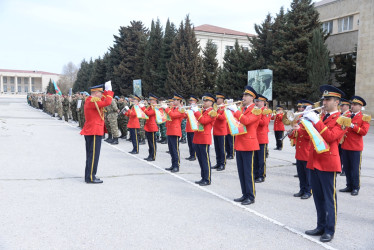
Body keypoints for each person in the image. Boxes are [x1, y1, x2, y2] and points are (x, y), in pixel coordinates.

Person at [303, 85, 348, 242]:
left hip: (328, 162)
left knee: (329, 198)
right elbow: (312, 136)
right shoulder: (322, 117)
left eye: (328, 99)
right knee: (318, 197)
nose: (324, 102)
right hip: (315, 161)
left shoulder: (343, 119)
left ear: (337, 102)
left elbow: (330, 137)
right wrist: (306, 120)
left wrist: (316, 120)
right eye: (324, 99)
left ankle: (330, 229)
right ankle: (320, 225)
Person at [228, 86, 261, 205]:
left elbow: (246, 121)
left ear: (252, 97)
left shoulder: (256, 110)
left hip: (248, 143)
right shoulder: (242, 109)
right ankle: (244, 194)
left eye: (246, 96)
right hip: (239, 142)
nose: (243, 98)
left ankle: (251, 196)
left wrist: (235, 111)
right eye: (243, 96)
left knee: (248, 172)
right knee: (241, 171)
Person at [80, 82, 114, 184]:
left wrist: (107, 91)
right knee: (94, 155)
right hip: (94, 131)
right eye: (100, 92)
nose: (101, 94)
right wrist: (109, 90)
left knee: (91, 155)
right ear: (95, 93)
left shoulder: (92, 100)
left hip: (92, 130)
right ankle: (90, 177)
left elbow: (103, 100)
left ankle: (90, 174)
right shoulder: (92, 101)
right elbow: (107, 101)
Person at [340, 96, 370, 196]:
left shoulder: (364, 117)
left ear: (360, 107)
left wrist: (352, 126)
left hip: (355, 147)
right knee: (347, 168)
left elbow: (364, 132)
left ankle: (356, 187)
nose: (352, 106)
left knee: (355, 169)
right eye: (352, 104)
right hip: (345, 146)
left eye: (355, 105)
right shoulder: (347, 116)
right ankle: (349, 186)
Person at [288, 100, 313, 199]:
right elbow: (296, 135)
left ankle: (308, 191)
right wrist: (291, 133)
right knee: (301, 173)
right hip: (299, 151)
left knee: (308, 175)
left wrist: (299, 129)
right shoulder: (300, 120)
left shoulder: (311, 121)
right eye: (299, 108)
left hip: (307, 151)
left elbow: (310, 136)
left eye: (302, 108)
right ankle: (302, 189)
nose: (300, 109)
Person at [192, 94, 217, 186]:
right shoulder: (202, 110)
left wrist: (196, 112)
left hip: (204, 137)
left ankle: (207, 179)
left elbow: (203, 121)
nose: (204, 102)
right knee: (200, 159)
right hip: (198, 136)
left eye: (206, 101)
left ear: (211, 103)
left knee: (205, 159)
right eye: (204, 100)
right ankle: (203, 177)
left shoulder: (212, 112)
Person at [163, 93, 185, 173]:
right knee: (171, 149)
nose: (173, 101)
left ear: (179, 101)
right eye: (174, 99)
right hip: (170, 130)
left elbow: (172, 115)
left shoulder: (181, 109)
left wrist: (166, 108)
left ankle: (176, 165)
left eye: (175, 100)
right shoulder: (172, 108)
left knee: (175, 149)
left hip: (175, 131)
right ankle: (173, 165)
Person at [254, 94, 272, 183]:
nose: (256, 103)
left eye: (258, 101)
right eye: (256, 101)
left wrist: (255, 117)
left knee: (261, 159)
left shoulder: (266, 111)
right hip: (254, 137)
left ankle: (261, 175)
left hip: (261, 138)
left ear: (263, 102)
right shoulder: (255, 110)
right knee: (255, 158)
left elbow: (264, 123)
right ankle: (255, 174)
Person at [140, 93, 159, 161]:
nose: (150, 101)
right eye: (149, 100)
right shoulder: (150, 107)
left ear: (155, 100)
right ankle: (150, 155)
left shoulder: (156, 107)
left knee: (152, 143)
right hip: (148, 126)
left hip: (152, 126)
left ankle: (153, 156)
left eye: (151, 100)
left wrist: (142, 107)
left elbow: (149, 113)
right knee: (149, 142)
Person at [212, 93, 227, 171]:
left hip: (221, 130)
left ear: (222, 99)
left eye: (218, 99)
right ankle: (218, 163)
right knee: (217, 148)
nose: (216, 100)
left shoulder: (225, 107)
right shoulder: (216, 107)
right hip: (215, 130)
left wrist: (216, 114)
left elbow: (223, 118)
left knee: (221, 149)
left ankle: (222, 164)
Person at [338, 98, 352, 176]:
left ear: (347, 106)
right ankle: (339, 168)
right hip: (339, 137)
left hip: (344, 137)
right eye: (341, 105)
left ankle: (344, 169)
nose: (341, 107)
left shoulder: (349, 115)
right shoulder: (341, 114)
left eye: (342, 105)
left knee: (343, 154)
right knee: (340, 153)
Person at [185, 95, 198, 161]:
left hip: (193, 128)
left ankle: (194, 155)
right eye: (190, 101)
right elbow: (186, 117)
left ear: (195, 101)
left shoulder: (196, 109)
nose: (190, 102)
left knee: (193, 143)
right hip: (188, 127)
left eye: (192, 100)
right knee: (189, 143)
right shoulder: (190, 108)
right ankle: (191, 154)